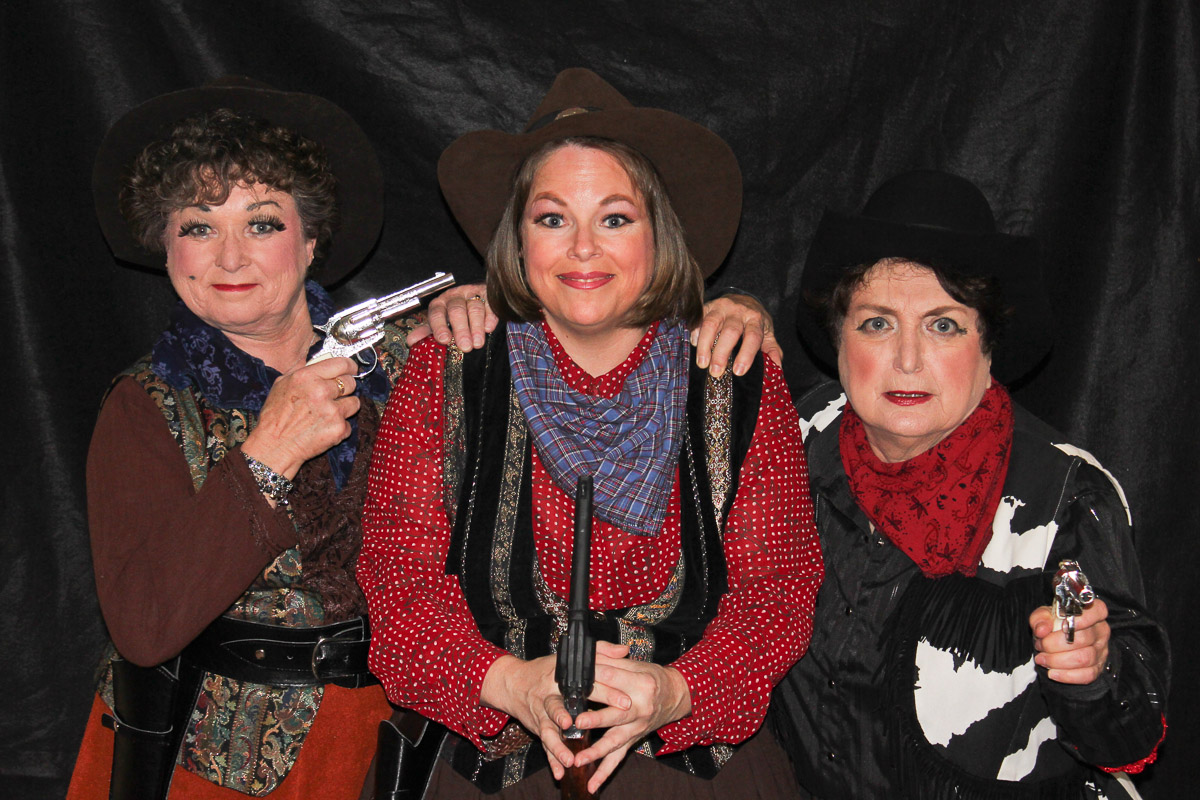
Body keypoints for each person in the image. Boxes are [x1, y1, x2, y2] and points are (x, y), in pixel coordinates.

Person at [67, 76, 779, 800]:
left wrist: (737, 307)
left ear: (310, 242)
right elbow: (144, 627)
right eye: (198, 228)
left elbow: (566, 306)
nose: (229, 258)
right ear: (165, 247)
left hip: (401, 743)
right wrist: (268, 453)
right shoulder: (148, 404)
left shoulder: (410, 356)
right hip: (222, 754)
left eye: (261, 224)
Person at [358, 68, 824, 798]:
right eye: (552, 219)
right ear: (518, 238)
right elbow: (397, 578)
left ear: (659, 233)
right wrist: (506, 682)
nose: (582, 248)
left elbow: (779, 590)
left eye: (614, 218)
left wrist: (678, 691)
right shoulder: (446, 372)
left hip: (691, 777)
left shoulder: (735, 378)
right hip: (494, 775)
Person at [771, 169, 1170, 799]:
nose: (907, 359)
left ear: (988, 349)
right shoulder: (796, 440)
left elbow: (1127, 739)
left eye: (943, 325)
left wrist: (1093, 676)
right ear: (839, 340)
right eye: (877, 323)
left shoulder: (1066, 497)